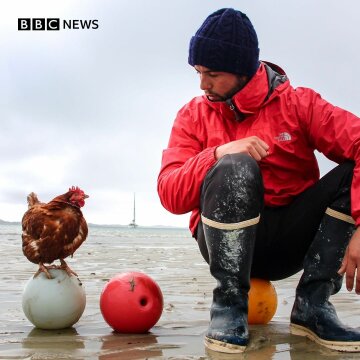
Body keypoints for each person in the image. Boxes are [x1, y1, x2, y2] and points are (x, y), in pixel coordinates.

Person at [157, 7, 360, 354]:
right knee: (235, 164)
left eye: (213, 74)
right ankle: (229, 308)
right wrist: (218, 153)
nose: (202, 84)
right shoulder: (192, 114)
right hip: (221, 244)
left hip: (289, 243)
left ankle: (313, 307)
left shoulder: (299, 104)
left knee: (348, 176)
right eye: (198, 72)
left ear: (243, 70)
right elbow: (169, 194)